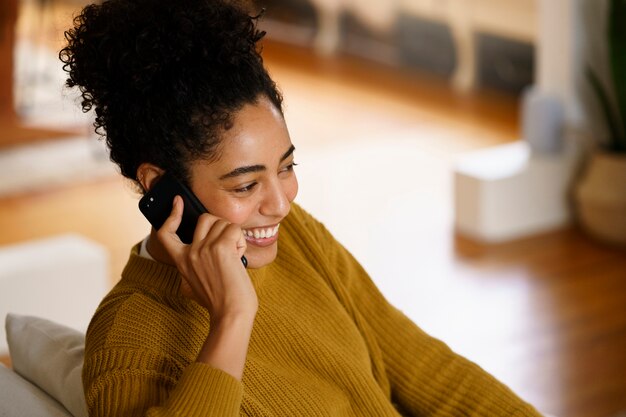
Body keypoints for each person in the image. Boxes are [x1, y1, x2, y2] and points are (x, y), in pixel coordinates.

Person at [60, 0, 543, 416]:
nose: (282, 204)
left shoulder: (298, 238)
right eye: (246, 185)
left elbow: (431, 373)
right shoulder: (126, 346)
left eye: (286, 167)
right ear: (161, 187)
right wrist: (231, 317)